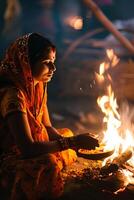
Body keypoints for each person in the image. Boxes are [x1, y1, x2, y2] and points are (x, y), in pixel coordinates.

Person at [0, 33, 99, 199]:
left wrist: (70, 143)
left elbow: (47, 127)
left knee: (66, 133)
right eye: (47, 63)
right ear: (26, 63)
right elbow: (27, 148)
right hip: (11, 155)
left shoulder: (37, 86)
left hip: (33, 146)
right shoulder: (13, 95)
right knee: (48, 164)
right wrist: (71, 143)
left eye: (53, 62)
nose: (53, 69)